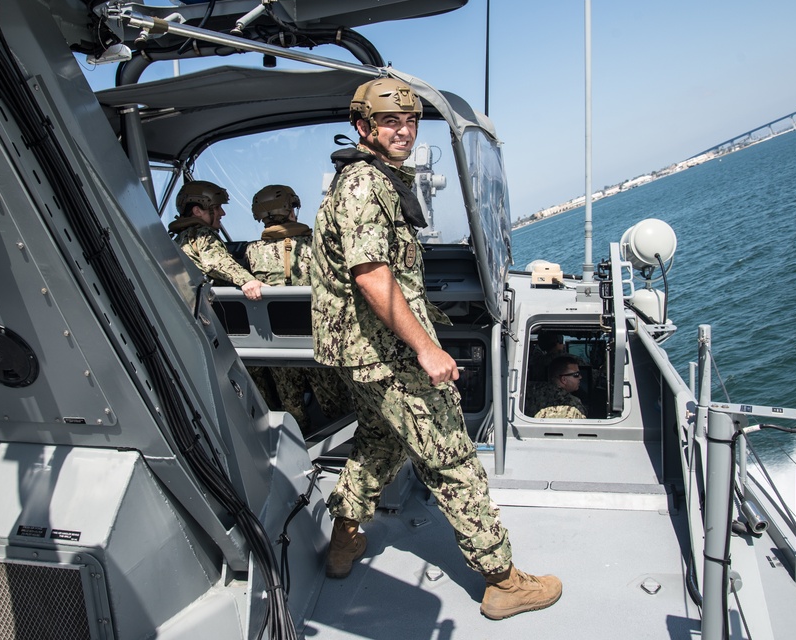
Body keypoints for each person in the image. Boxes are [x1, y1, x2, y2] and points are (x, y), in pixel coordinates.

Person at [310, 78, 561, 620]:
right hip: (389, 356)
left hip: (361, 355)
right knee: (451, 458)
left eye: (410, 121)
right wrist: (426, 348)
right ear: (363, 128)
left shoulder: (368, 179)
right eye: (389, 122)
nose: (402, 131)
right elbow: (373, 275)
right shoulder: (362, 186)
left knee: (379, 442)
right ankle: (502, 580)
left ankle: (345, 539)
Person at [244, 184, 353, 431]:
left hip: (276, 347)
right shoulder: (319, 245)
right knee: (338, 405)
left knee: (290, 407)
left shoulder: (251, 252)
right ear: (291, 210)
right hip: (318, 342)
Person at [167, 180, 265, 300]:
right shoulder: (201, 233)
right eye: (217, 207)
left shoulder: (181, 237)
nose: (222, 213)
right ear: (197, 211)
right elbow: (215, 261)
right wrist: (248, 281)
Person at [525, 355, 588, 419]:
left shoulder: (530, 391)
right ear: (564, 379)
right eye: (576, 375)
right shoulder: (571, 403)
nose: (580, 377)